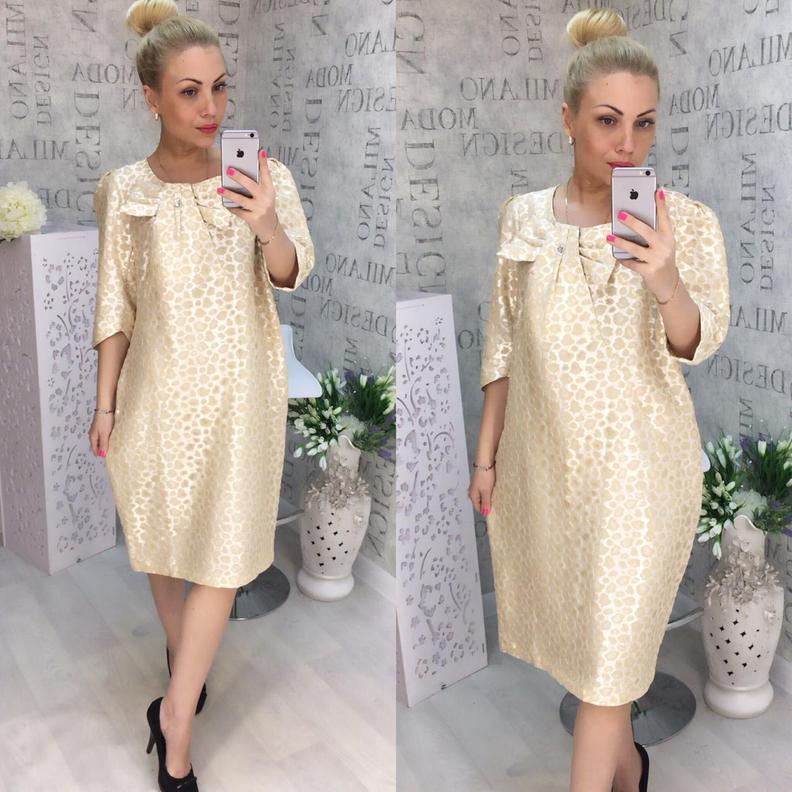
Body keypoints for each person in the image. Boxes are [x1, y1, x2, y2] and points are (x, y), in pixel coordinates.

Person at [469, 9, 730, 792]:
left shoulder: (685, 223)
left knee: (609, 666)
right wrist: (486, 456)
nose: (627, 144)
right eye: (608, 121)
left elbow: (698, 340)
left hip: (644, 475)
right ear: (568, 119)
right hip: (548, 472)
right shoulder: (522, 218)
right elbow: (503, 344)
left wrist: (665, 278)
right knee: (594, 665)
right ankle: (631, 768)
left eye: (644, 123)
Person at [87, 1, 315, 789]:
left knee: (223, 553)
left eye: (219, 86)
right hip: (154, 394)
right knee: (160, 534)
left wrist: (266, 222)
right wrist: (106, 403)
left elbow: (291, 273)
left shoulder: (264, 178)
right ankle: (184, 661)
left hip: (242, 398)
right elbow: (115, 305)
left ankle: (176, 716)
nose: (210, 106)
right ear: (151, 96)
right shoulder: (124, 190)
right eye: (189, 91)